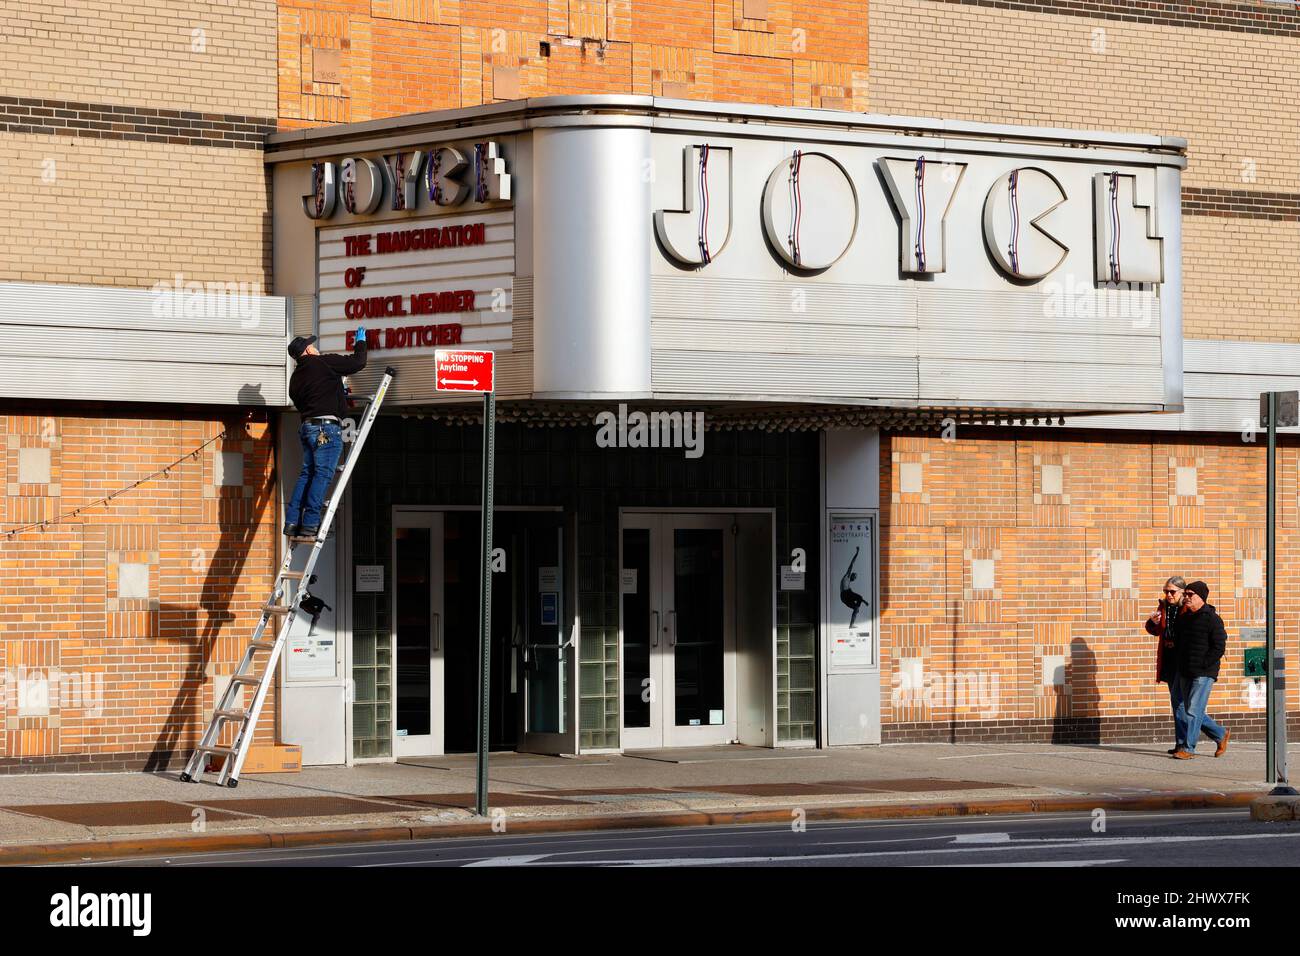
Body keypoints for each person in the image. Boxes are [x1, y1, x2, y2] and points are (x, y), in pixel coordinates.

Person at [284, 329, 367, 538]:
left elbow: (308, 398)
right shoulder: (323, 362)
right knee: (322, 475)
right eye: (312, 344)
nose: (315, 346)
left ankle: (292, 521)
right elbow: (358, 363)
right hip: (326, 428)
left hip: (308, 428)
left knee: (307, 475)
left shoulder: (295, 379)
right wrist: (361, 343)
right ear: (308, 350)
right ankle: (311, 522)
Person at [1170, 580, 1230, 760]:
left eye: (1190, 595)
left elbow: (1219, 647)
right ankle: (1220, 734)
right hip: (1185, 671)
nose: (1186, 598)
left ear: (1201, 597)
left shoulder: (1212, 619)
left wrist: (1204, 664)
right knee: (1189, 709)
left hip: (1204, 672)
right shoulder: (1184, 618)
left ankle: (1188, 749)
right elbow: (1178, 643)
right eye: (1185, 594)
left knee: (1193, 710)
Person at [1146, 576, 1187, 754]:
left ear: (1182, 592)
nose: (1168, 595)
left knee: (1181, 703)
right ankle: (1181, 742)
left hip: (1183, 659)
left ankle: (1216, 733)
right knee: (1176, 701)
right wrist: (1152, 623)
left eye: (1172, 592)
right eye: (1166, 591)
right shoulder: (1163, 607)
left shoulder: (1187, 608)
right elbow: (1155, 631)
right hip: (1169, 658)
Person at [839, 545, 867, 628]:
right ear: (851, 575)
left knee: (856, 608)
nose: (854, 579)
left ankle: (851, 624)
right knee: (858, 596)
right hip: (845, 594)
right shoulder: (847, 576)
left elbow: (853, 595)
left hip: (845, 597)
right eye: (854, 577)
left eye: (855, 578)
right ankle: (858, 606)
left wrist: (864, 602)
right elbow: (852, 563)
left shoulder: (848, 584)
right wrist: (857, 552)